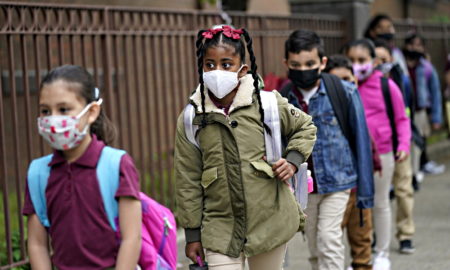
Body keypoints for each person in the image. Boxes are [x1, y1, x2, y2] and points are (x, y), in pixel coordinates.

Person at [174, 25, 317, 270]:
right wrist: (192, 235)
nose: (217, 71)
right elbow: (187, 179)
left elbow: (305, 126)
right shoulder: (191, 117)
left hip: (269, 219)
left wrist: (292, 160)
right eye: (210, 64)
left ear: (242, 70)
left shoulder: (268, 103)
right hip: (219, 227)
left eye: (226, 64)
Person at [23, 65, 142, 269]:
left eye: (63, 109)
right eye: (45, 111)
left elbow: (131, 238)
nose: (53, 119)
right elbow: (36, 244)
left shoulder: (116, 164)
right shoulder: (38, 173)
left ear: (92, 112)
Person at [280, 30, 374, 270]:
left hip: (339, 182)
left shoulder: (344, 92)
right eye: (296, 64)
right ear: (286, 64)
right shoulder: (282, 100)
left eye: (310, 63)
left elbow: (361, 141)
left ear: (322, 62)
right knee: (314, 248)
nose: (303, 70)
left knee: (329, 241)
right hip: (304, 186)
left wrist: (365, 192)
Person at [345, 39, 411, 270]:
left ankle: (382, 253)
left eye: (362, 60)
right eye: (352, 60)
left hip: (382, 153)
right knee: (356, 208)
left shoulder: (386, 86)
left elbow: (402, 118)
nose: (357, 65)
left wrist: (403, 145)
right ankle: (360, 255)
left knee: (380, 203)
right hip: (352, 154)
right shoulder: (344, 85)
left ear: (373, 62)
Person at [324, 54, 380, 270]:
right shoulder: (325, 111)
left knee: (362, 243)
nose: (346, 86)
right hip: (335, 190)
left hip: (358, 189)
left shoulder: (356, 103)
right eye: (339, 81)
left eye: (349, 79)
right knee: (331, 243)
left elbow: (366, 143)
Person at [373, 39, 417, 254]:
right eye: (376, 59)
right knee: (376, 196)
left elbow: (405, 115)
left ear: (391, 60)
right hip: (376, 150)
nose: (380, 63)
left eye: (384, 59)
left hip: (399, 145)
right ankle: (376, 235)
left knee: (403, 190)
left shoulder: (400, 81)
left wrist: (404, 143)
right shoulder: (363, 83)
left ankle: (405, 234)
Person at [403, 33, 445, 176]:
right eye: (412, 44)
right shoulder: (400, 65)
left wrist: (436, 117)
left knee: (420, 140)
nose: (415, 48)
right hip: (404, 110)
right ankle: (413, 169)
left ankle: (420, 167)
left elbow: (435, 92)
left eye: (419, 45)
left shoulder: (426, 67)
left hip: (420, 110)